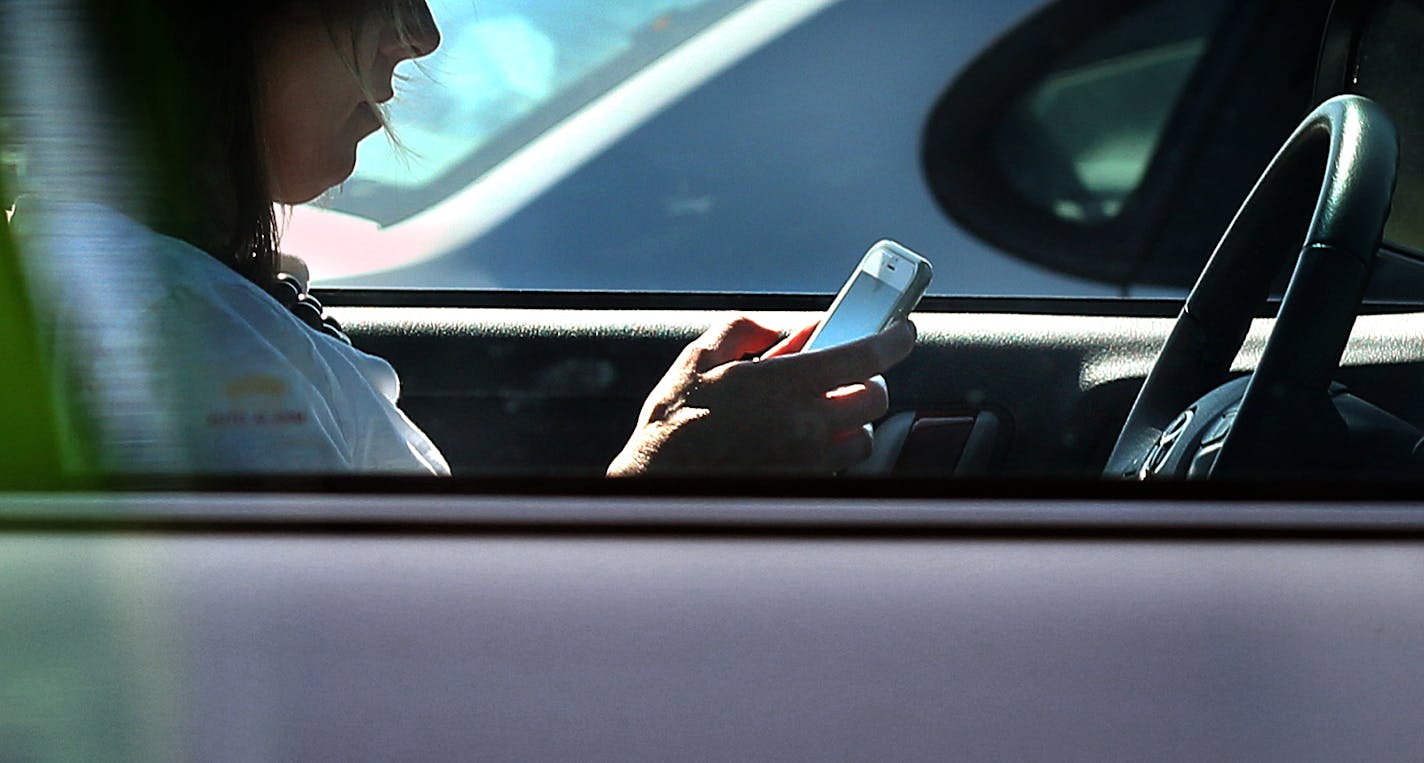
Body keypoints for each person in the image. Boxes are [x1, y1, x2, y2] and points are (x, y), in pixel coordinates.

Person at [5, 0, 914, 476]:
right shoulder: (169, 331)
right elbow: (381, 689)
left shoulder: (159, 291)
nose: (421, 33)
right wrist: (660, 481)